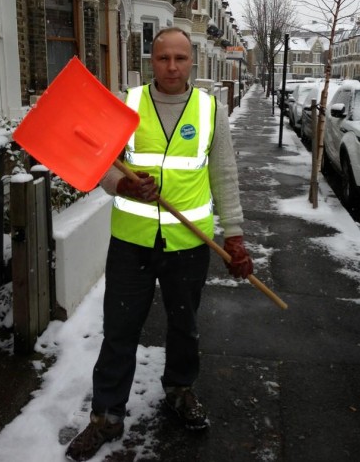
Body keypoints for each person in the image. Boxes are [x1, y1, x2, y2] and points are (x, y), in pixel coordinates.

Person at [66, 27, 253, 461]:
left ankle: (180, 391)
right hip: (131, 242)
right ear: (152, 59)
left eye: (181, 59)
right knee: (119, 331)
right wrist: (124, 187)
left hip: (189, 242)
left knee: (184, 326)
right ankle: (106, 416)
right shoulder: (127, 104)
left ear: (192, 62)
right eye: (163, 58)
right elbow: (101, 164)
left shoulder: (210, 109)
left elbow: (223, 174)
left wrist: (236, 236)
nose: (172, 66)